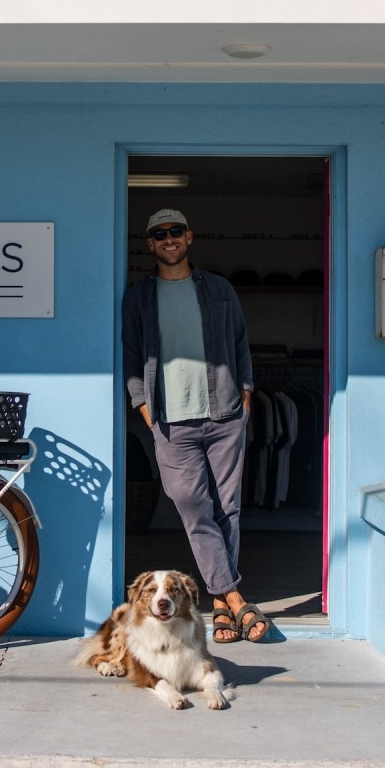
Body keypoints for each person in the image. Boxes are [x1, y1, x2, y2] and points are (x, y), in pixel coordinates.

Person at [122, 207, 270, 643]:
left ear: (189, 237)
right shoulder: (139, 297)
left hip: (224, 412)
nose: (168, 239)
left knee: (228, 509)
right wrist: (144, 408)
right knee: (191, 504)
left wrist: (245, 394)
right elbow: (132, 356)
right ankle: (233, 595)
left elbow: (241, 342)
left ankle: (222, 609)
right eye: (159, 234)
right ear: (150, 243)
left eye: (176, 232)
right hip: (170, 422)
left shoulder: (219, 289)